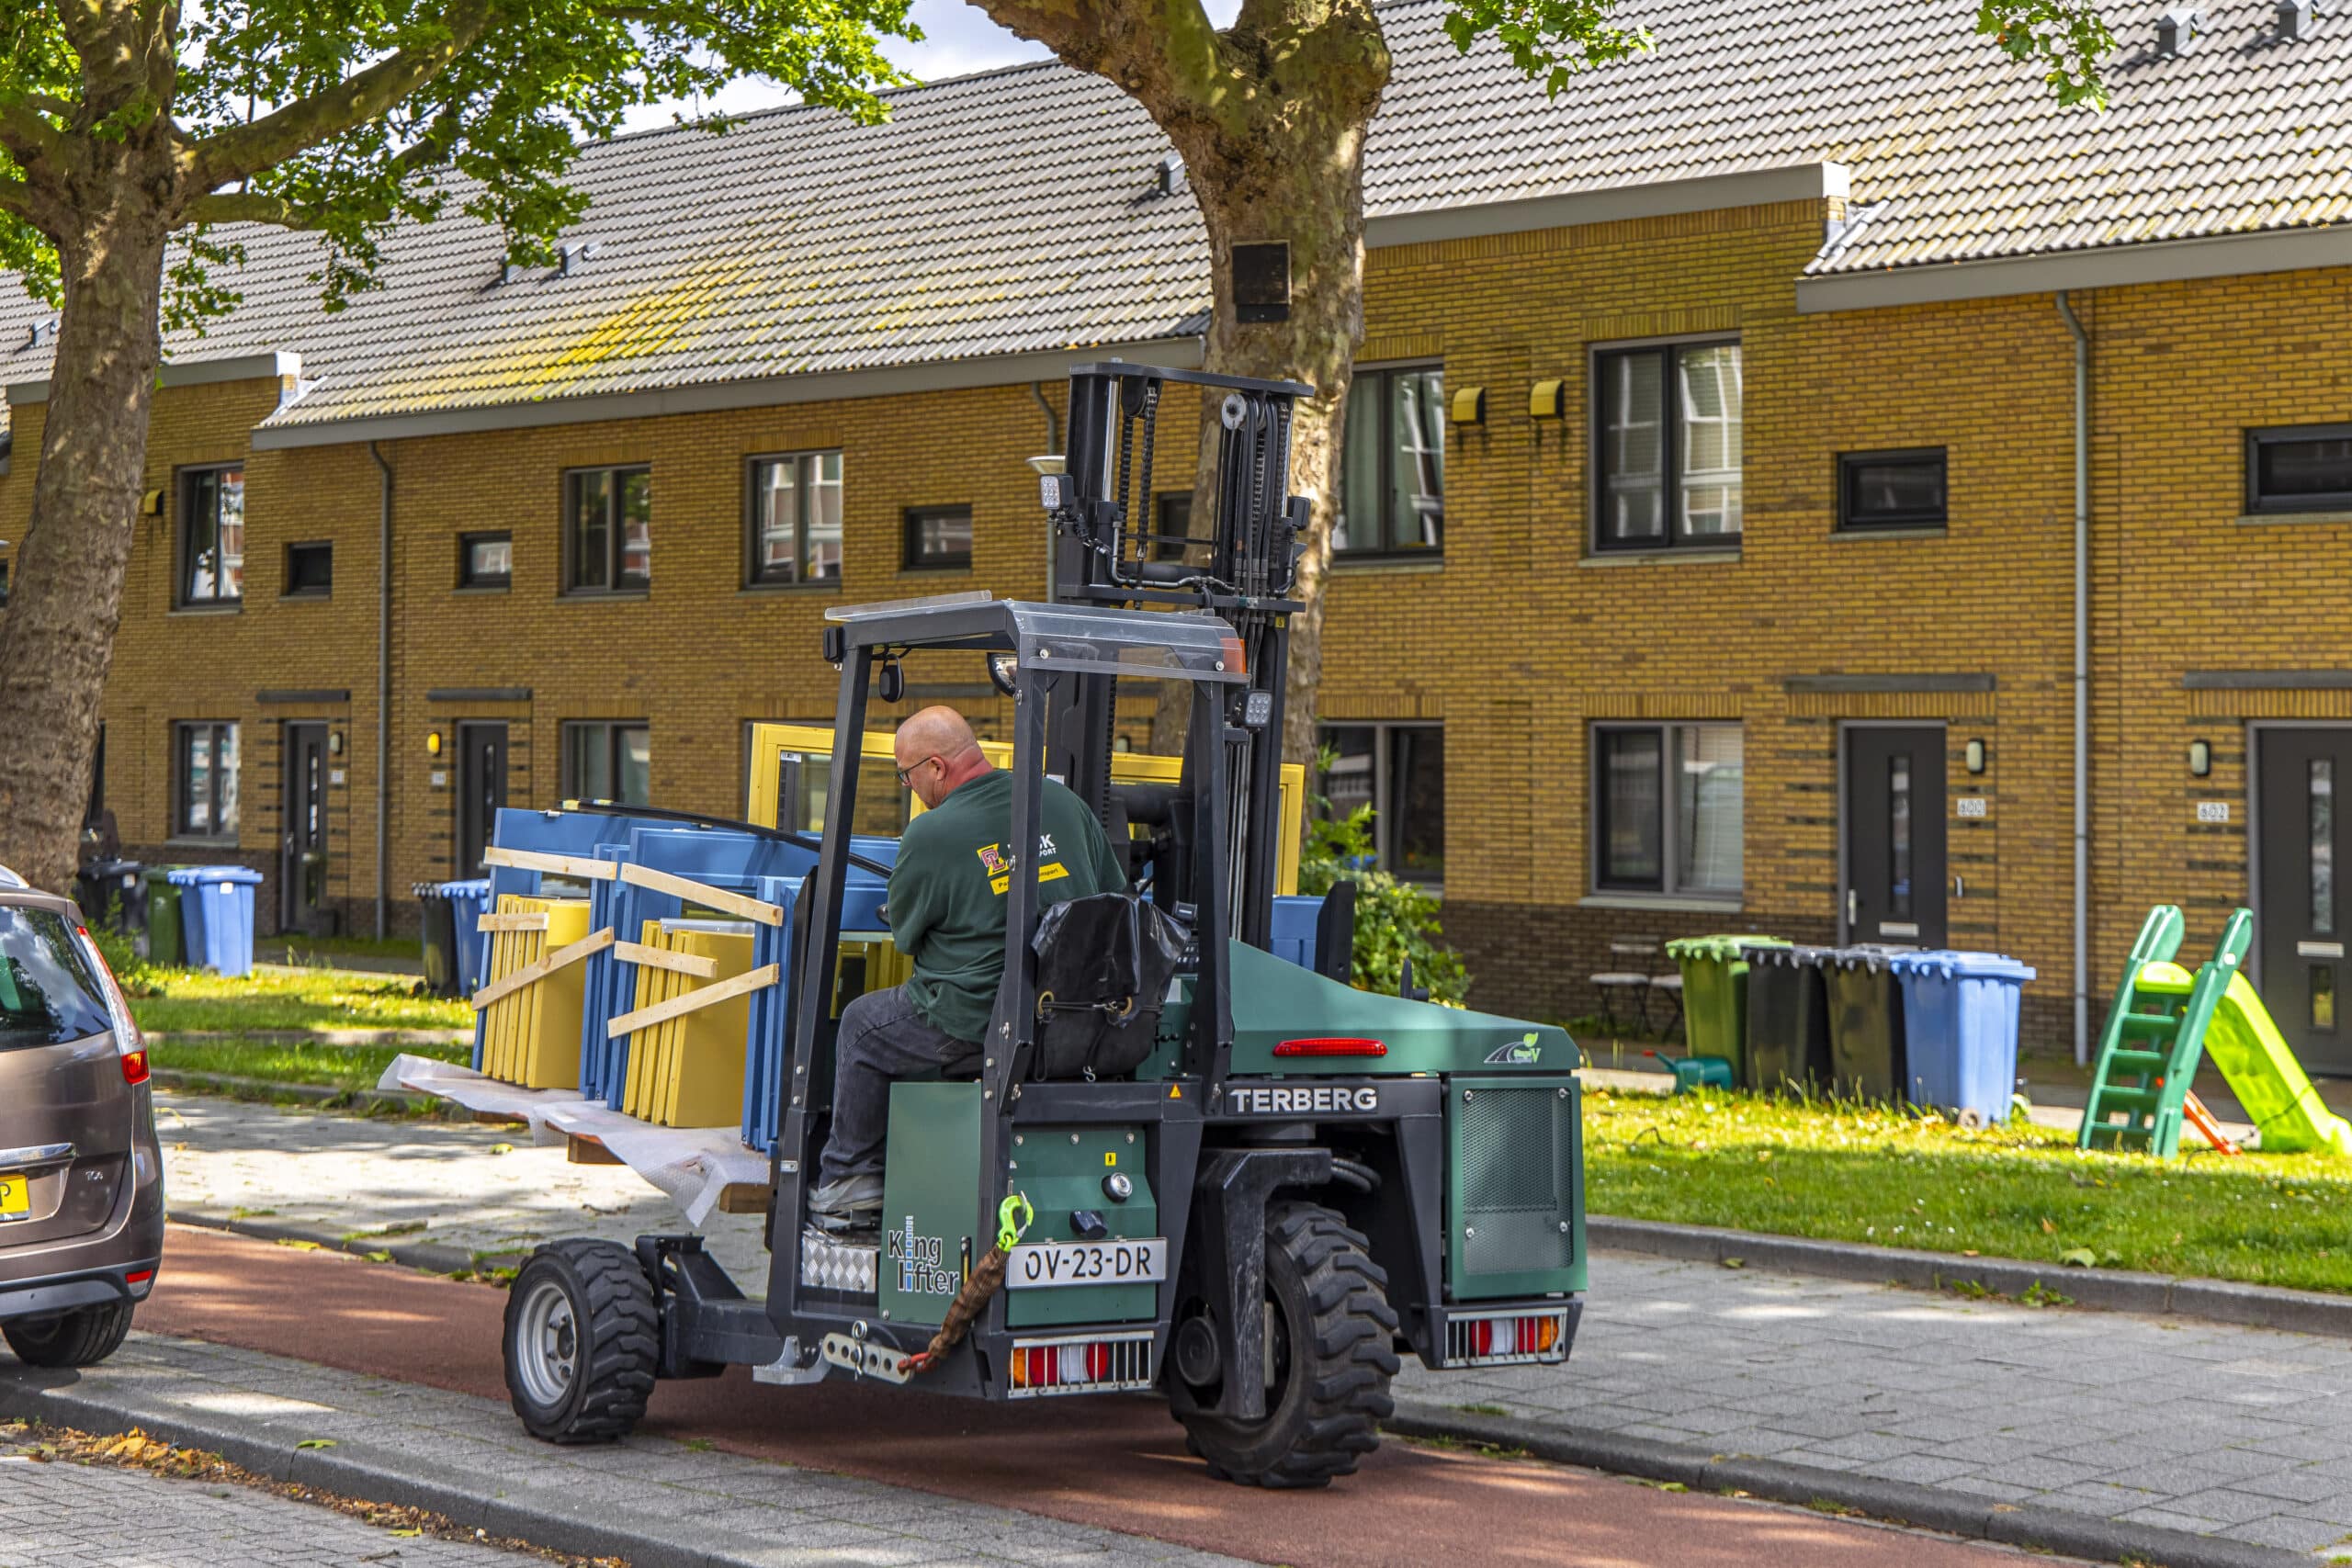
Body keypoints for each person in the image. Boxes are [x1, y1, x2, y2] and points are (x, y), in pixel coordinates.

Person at [807, 705, 1126, 1233]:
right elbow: (1116, 900)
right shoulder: (1065, 804)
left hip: (975, 1019)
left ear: (936, 767)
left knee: (862, 1025)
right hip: (1073, 1019)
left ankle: (849, 1185)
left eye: (907, 775)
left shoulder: (931, 834)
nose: (910, 787)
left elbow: (906, 936)